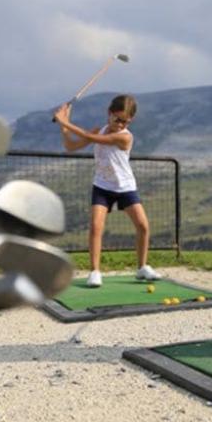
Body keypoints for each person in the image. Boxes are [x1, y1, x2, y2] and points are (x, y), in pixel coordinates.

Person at [54, 94, 162, 287]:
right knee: (96, 226)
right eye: (117, 119)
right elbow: (71, 146)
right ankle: (95, 271)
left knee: (143, 226)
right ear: (109, 113)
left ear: (131, 121)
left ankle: (142, 267)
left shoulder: (125, 137)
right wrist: (63, 126)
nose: (120, 124)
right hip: (102, 186)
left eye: (125, 121)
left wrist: (65, 120)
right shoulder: (100, 129)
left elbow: (89, 137)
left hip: (125, 186)